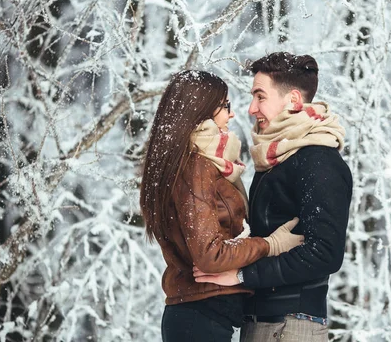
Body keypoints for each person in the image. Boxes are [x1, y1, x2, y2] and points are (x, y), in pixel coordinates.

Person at [194, 53, 353, 341]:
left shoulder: (317, 160)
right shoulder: (277, 160)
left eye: (260, 96)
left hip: (290, 325)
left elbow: (325, 253)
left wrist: (244, 275)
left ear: (292, 100)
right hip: (265, 324)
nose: (251, 108)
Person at [139, 70, 304, 342]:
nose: (232, 114)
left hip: (201, 316)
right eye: (225, 106)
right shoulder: (196, 166)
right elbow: (209, 255)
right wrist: (270, 244)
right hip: (200, 318)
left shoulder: (190, 163)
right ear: (202, 110)